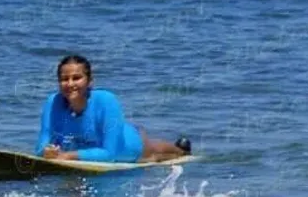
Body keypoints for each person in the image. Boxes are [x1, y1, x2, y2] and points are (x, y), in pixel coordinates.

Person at [36, 55, 192, 162]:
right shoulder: (53, 102)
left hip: (130, 146)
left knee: (155, 153)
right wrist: (46, 151)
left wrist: (69, 155)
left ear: (90, 81)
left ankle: (181, 150)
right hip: (87, 148)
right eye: (64, 79)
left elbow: (110, 154)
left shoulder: (106, 100)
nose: (70, 84)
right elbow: (40, 146)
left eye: (76, 78)